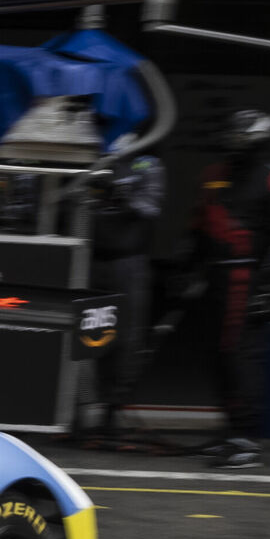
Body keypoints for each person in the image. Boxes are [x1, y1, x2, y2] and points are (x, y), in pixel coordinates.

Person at [185, 107, 270, 471]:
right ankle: (230, 430)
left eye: (241, 139)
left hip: (250, 279)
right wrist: (188, 263)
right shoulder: (215, 176)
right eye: (232, 138)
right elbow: (199, 225)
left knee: (241, 355)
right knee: (218, 355)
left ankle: (246, 438)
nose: (233, 145)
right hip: (216, 277)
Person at [82, 150, 166, 442]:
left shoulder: (147, 163)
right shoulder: (88, 154)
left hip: (127, 263)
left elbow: (148, 207)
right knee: (88, 336)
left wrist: (117, 190)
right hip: (88, 259)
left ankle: (112, 412)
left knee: (126, 338)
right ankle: (82, 411)